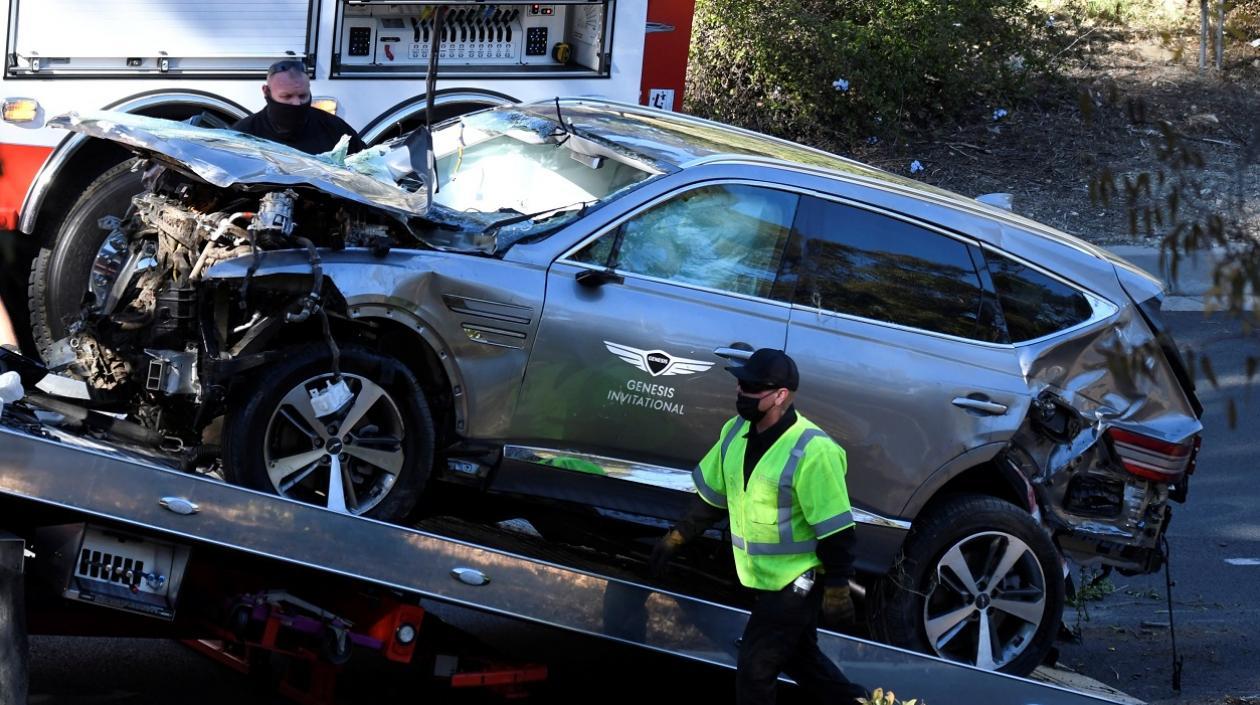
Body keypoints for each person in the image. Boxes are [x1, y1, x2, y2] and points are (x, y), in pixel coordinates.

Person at [649, 348, 866, 705]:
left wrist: (838, 586)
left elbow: (837, 531)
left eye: (752, 387)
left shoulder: (814, 451)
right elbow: (713, 499)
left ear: (780, 395)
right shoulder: (735, 432)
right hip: (764, 576)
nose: (741, 392)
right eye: (740, 384)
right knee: (801, 660)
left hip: (799, 579)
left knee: (755, 666)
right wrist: (676, 537)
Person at [232, 60, 367, 155]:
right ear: (267, 92)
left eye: (303, 96)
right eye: (287, 97)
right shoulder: (244, 135)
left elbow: (366, 169)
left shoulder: (335, 129)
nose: (296, 103)